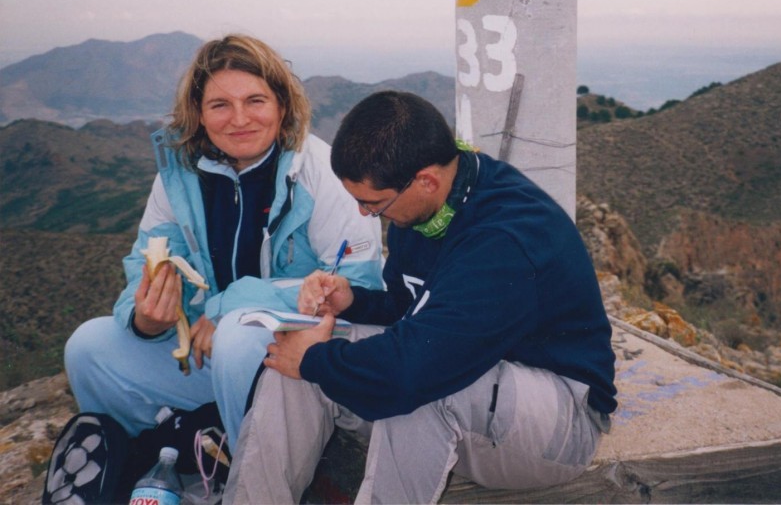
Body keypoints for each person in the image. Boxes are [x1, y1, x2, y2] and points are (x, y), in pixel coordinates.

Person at [224, 90, 617, 504]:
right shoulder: (426, 202)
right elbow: (410, 310)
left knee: (421, 391)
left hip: (562, 420)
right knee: (292, 369)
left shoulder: (503, 240)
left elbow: (416, 369)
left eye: (372, 204)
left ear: (426, 180)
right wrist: (353, 301)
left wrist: (315, 360)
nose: (364, 215)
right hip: (482, 385)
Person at [63, 35, 384, 452]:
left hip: (304, 357)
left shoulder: (320, 170)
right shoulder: (178, 176)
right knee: (88, 348)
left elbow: (356, 284)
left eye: (255, 101)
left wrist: (227, 308)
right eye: (220, 105)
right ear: (198, 113)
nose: (239, 119)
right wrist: (146, 319)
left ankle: (250, 478)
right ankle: (159, 461)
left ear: (282, 106)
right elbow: (146, 261)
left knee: (236, 333)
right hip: (212, 352)